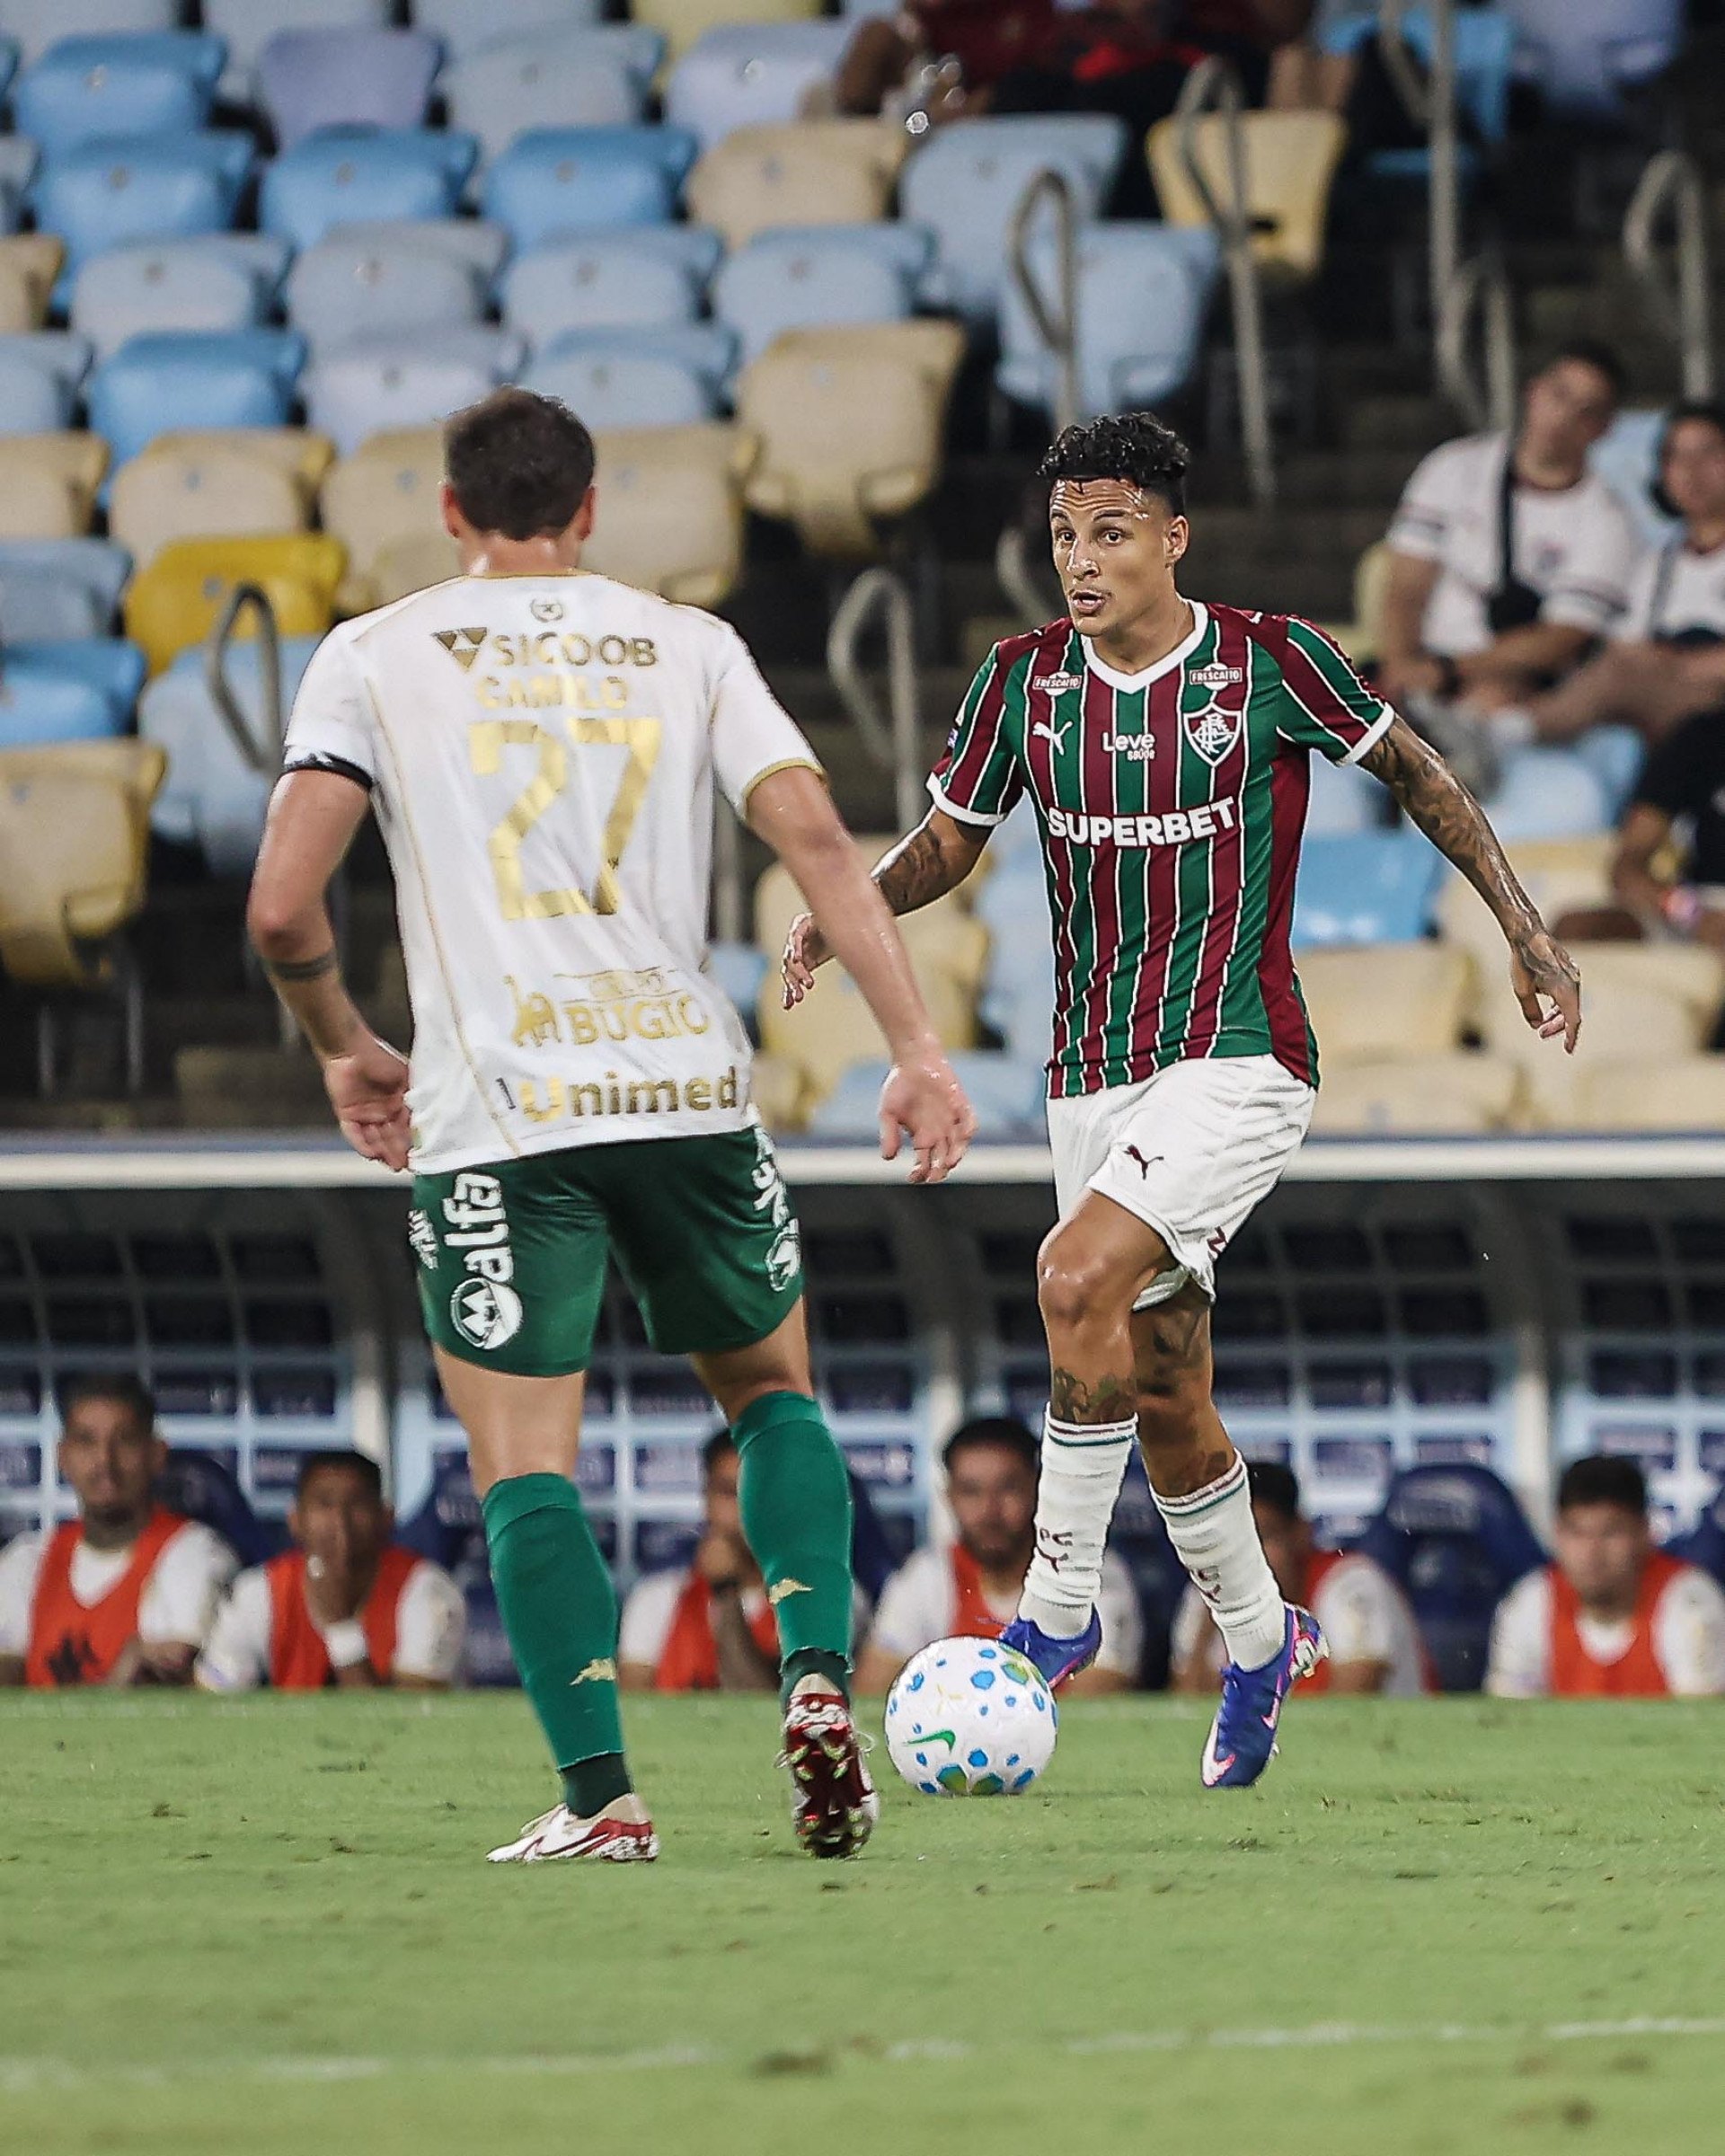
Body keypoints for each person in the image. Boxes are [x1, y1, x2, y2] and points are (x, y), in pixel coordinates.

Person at [783, 408, 1581, 1789]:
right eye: (1062, 537)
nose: (1080, 562)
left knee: (1071, 1277)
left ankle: (1051, 1613)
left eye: (1108, 534)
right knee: (1161, 1387)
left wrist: (1523, 927)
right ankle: (1265, 1646)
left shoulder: (1269, 661)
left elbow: (1420, 774)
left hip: (1241, 1056)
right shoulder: (1024, 683)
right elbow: (947, 850)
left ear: (1173, 538)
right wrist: (841, 905)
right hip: (1091, 1077)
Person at [247, 386, 974, 1865]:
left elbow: (279, 904)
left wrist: (343, 1044)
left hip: (502, 1112)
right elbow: (821, 841)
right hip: (685, 1090)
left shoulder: (373, 658)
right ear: (589, 514)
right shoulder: (687, 644)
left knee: (525, 1464)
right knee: (772, 1395)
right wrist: (912, 1046)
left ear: (450, 512)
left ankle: (603, 1799)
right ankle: (821, 1676)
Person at [1378, 342, 1640, 789]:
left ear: (1603, 429)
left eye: (1585, 410)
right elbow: (1405, 584)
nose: (1563, 418)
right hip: (1423, 673)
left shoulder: (1608, 522)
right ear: (1533, 392)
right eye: (1559, 395)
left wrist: (1447, 675)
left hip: (1513, 688)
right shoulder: (1452, 468)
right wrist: (1400, 668)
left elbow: (1559, 642)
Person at [1491, 403, 1725, 754]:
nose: (1692, 471)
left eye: (1708, 453)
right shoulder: (1658, 564)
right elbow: (1626, 643)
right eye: (1677, 457)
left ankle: (1510, 731)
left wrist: (1680, 665)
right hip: (1654, 707)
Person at [854, 1414, 1142, 1695]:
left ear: (1038, 1489)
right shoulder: (928, 1575)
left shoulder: (1087, 1573)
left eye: (1007, 1488)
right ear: (949, 1497)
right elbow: (872, 1692)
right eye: (971, 1491)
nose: (989, 1511)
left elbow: (1099, 1695)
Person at [0, 1375, 234, 1688]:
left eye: (124, 1440)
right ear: (62, 1456)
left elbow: (163, 1689)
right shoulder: (28, 1560)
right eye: (86, 1441)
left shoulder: (194, 1553)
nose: (104, 1461)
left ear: (156, 1454)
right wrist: (115, 1680)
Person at [195, 1451, 466, 1692]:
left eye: (357, 1504)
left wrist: (341, 1627)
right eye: (324, 1504)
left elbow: (411, 1727)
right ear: (295, 1520)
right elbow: (217, 1699)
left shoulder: (427, 1590)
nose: (340, 1522)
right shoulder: (259, 1590)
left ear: (386, 1519)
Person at [1171, 1461, 1429, 1696]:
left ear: (1299, 1535)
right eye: (1231, 1541)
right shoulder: (1209, 1590)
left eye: (1262, 1537)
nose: (1245, 1557)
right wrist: (1208, 1625)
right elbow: (1186, 1713)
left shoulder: (1350, 1584)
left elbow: (1355, 1696)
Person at [1487, 1456, 1725, 1697]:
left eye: (1611, 1532)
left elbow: (1697, 1724)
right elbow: (1509, 1719)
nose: (1592, 1552)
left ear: (1644, 1533)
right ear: (1557, 1534)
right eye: (1577, 1532)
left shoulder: (1689, 1601)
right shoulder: (1532, 1601)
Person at [620, 1433, 804, 1692]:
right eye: (729, 1493)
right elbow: (634, 1713)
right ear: (706, 1499)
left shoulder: (812, 1602)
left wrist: (726, 1594)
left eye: (757, 1492)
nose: (744, 1510)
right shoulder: (656, 1598)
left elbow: (769, 1715)